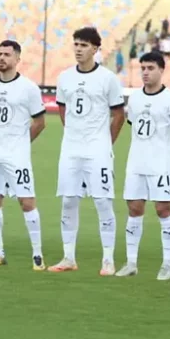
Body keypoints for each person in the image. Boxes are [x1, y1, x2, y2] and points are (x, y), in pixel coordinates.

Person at [48, 27, 126, 275]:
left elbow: (119, 115)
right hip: (70, 149)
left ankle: (108, 260)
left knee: (102, 201)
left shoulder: (107, 78)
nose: (79, 49)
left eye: (84, 45)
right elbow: (63, 109)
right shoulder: (65, 77)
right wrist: (74, 133)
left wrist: (105, 143)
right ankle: (68, 257)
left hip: (98, 150)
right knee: (69, 200)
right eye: (76, 44)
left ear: (95, 49)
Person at [116, 51, 170, 280]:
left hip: (161, 165)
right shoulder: (135, 99)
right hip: (136, 163)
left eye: (150, 68)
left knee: (163, 210)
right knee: (134, 209)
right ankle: (131, 263)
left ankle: (167, 265)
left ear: (161, 70)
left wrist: (167, 158)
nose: (145, 73)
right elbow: (135, 127)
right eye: (143, 68)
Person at [0, 40, 46, 270]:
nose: (2, 58)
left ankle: (37, 255)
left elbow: (40, 122)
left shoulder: (28, 88)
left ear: (17, 59)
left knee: (26, 201)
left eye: (7, 54)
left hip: (17, 154)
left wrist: (21, 143)